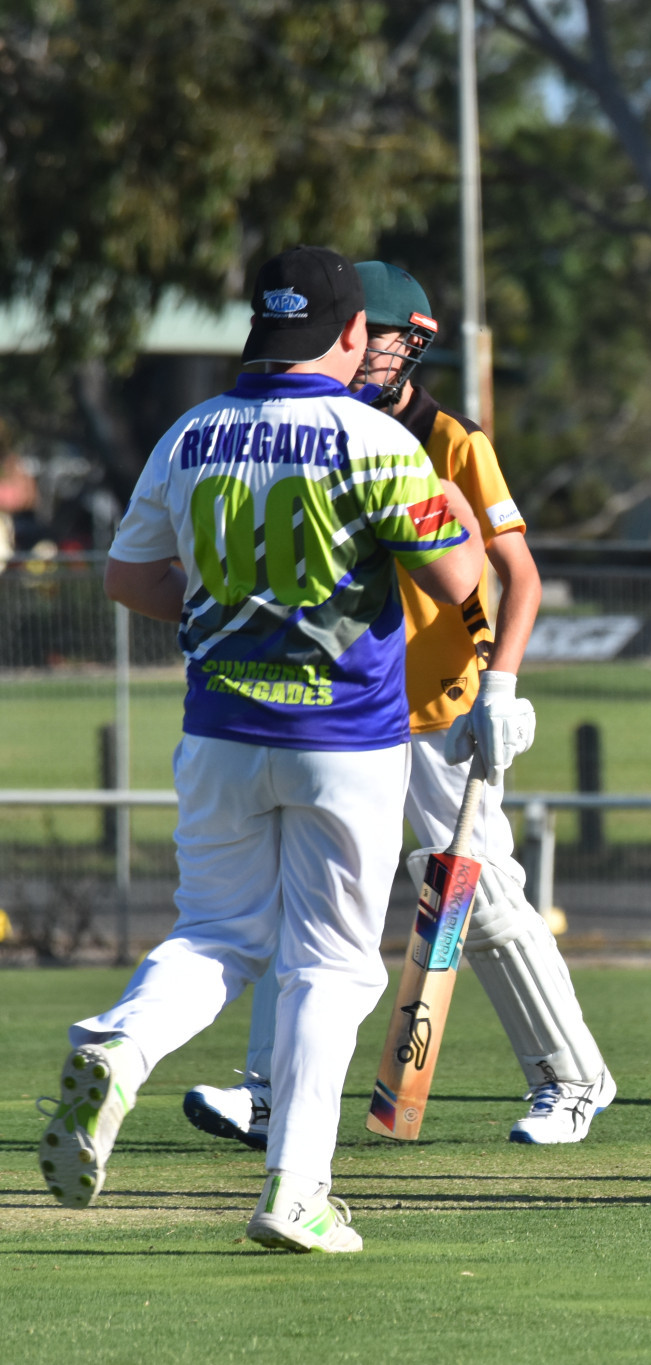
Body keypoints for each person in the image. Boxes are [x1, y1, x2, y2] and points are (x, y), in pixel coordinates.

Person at [38, 247, 484, 1251]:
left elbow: (129, 578)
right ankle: (297, 1192)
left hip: (220, 734)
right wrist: (450, 513)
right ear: (350, 334)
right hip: (347, 742)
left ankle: (122, 1040)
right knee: (329, 966)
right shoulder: (372, 440)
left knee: (216, 937)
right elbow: (458, 581)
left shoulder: (189, 434)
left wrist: (218, 613)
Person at [179, 261, 614, 1152]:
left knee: (479, 897)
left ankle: (573, 1081)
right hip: (338, 710)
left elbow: (517, 575)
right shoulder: (306, 424)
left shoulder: (453, 440)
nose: (362, 345)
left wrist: (500, 686)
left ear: (411, 341)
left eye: (379, 333)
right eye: (358, 330)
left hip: (433, 712)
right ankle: (268, 1092)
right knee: (306, 898)